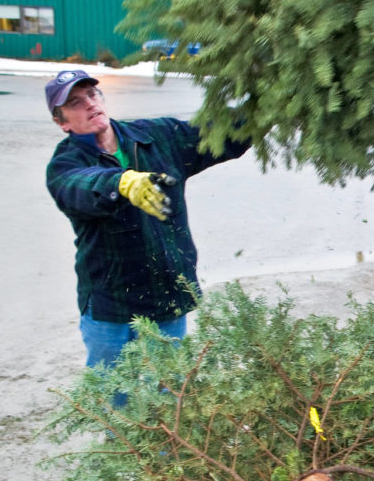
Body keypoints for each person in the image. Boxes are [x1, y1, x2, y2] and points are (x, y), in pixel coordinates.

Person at [44, 68, 250, 372]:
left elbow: (220, 134)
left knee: (169, 398)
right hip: (110, 308)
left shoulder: (157, 137)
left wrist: (264, 106)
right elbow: (79, 186)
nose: (88, 103)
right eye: (75, 103)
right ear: (61, 122)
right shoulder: (64, 165)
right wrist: (122, 183)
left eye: (91, 94)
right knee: (113, 400)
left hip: (165, 300)